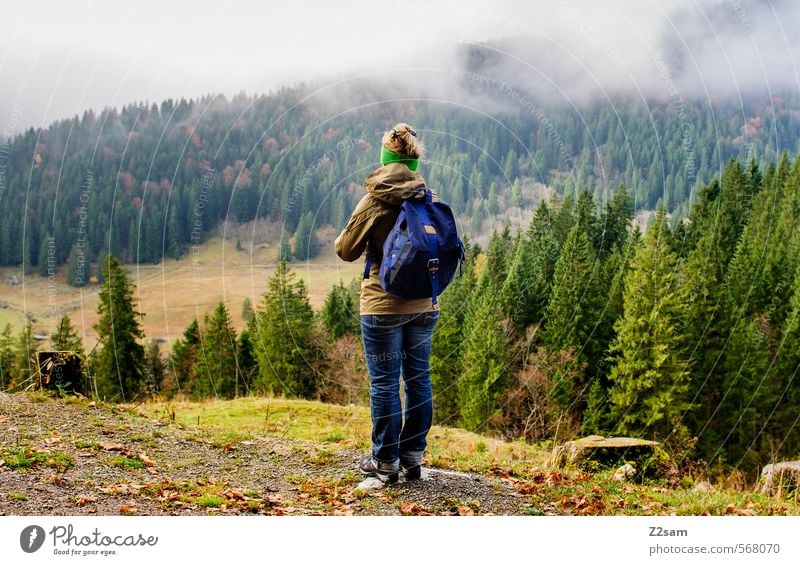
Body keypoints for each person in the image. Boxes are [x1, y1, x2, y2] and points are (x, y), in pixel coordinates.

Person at [334, 123, 439, 483]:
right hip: (426, 304)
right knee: (419, 379)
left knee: (384, 383)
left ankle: (385, 462)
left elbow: (345, 250)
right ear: (412, 161)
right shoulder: (429, 196)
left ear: (385, 159)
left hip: (382, 306)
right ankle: (412, 457)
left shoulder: (375, 200)